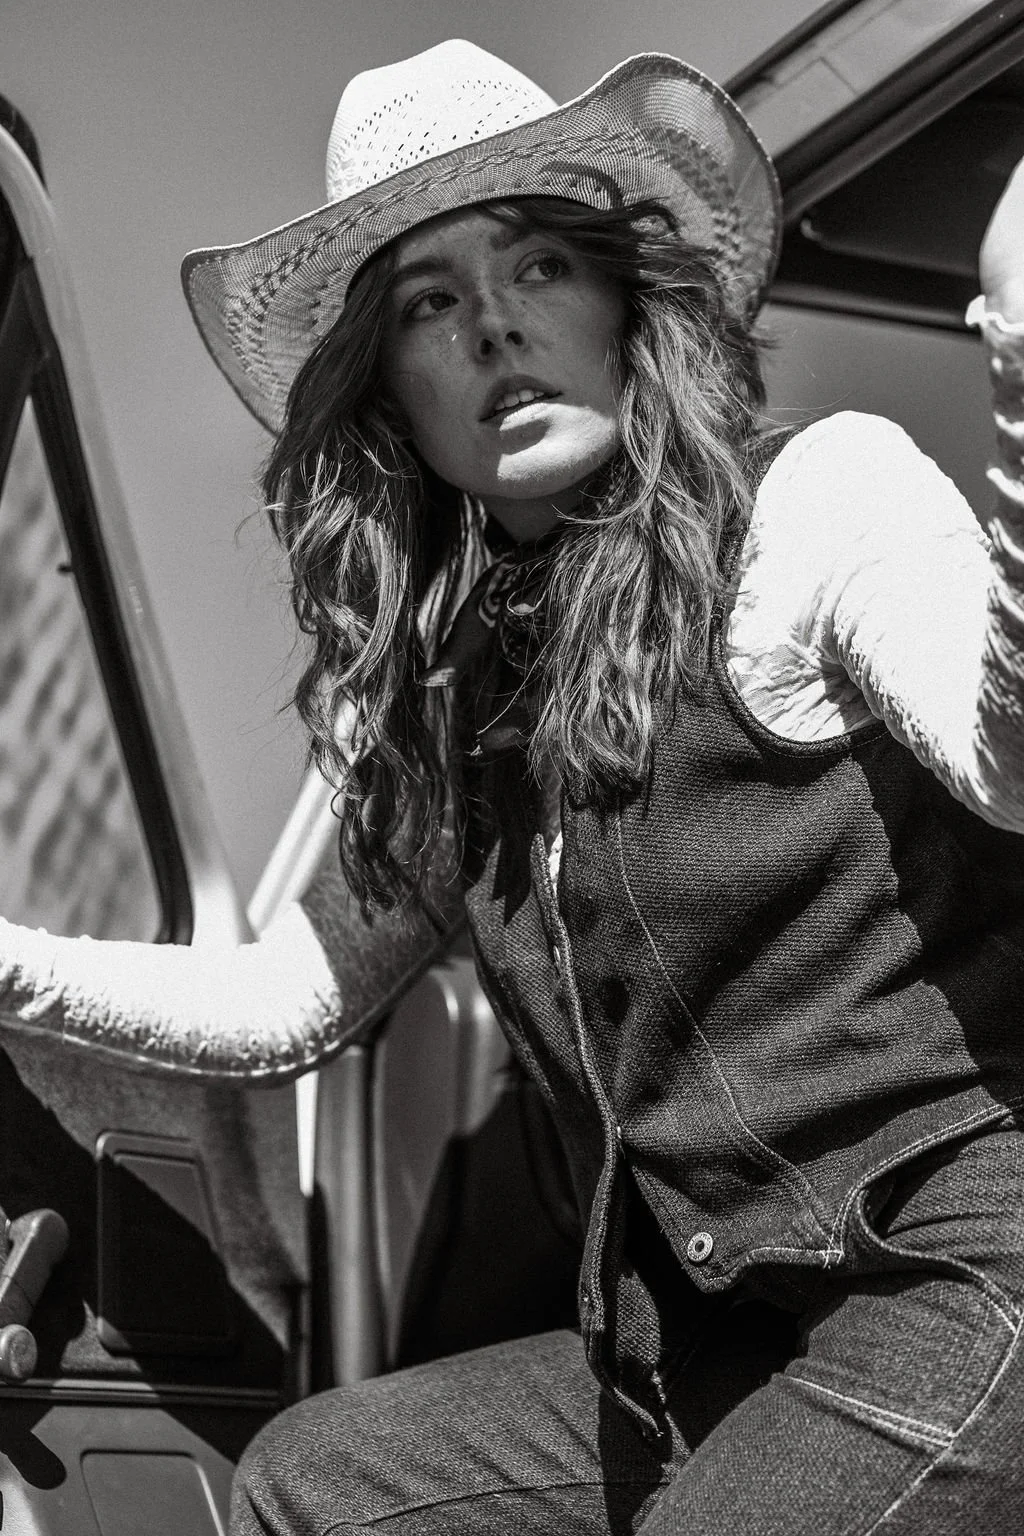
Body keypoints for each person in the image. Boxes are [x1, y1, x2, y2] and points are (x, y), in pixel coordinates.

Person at [2, 35, 1024, 1535]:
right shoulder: (464, 697)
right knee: (312, 1482)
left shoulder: (820, 499)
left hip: (961, 1278)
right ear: (390, 394)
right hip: (708, 1353)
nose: (492, 329)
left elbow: (1009, 758)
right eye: (431, 302)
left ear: (627, 302)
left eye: (540, 265)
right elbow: (293, 993)